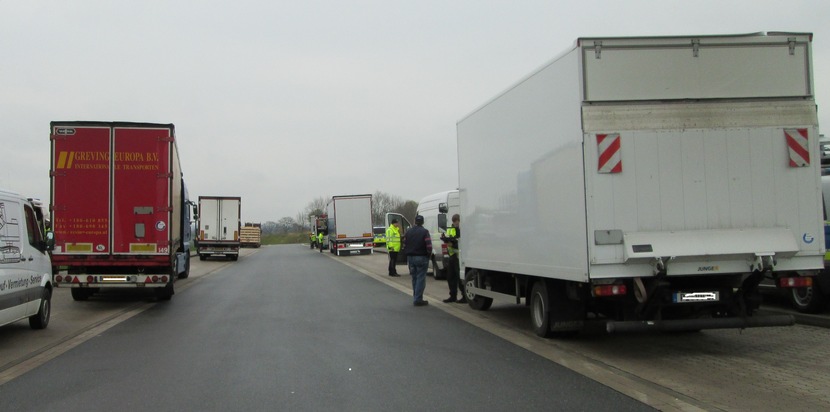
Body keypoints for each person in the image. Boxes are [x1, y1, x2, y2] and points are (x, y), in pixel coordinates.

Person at [402, 215, 431, 306]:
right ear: (422, 222)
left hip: (410, 257)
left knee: (414, 278)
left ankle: (416, 296)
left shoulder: (408, 232)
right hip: (421, 257)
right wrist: (428, 255)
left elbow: (404, 244)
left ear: (415, 222)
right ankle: (418, 299)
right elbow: (429, 246)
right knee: (421, 278)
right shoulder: (425, 232)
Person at [441, 214, 466, 303]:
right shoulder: (451, 229)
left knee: (460, 278)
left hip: (459, 257)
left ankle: (464, 296)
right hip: (452, 256)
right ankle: (453, 296)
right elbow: (451, 238)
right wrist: (445, 240)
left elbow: (463, 242)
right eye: (454, 222)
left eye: (456, 221)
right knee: (450, 277)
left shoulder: (464, 229)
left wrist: (453, 244)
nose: (455, 223)